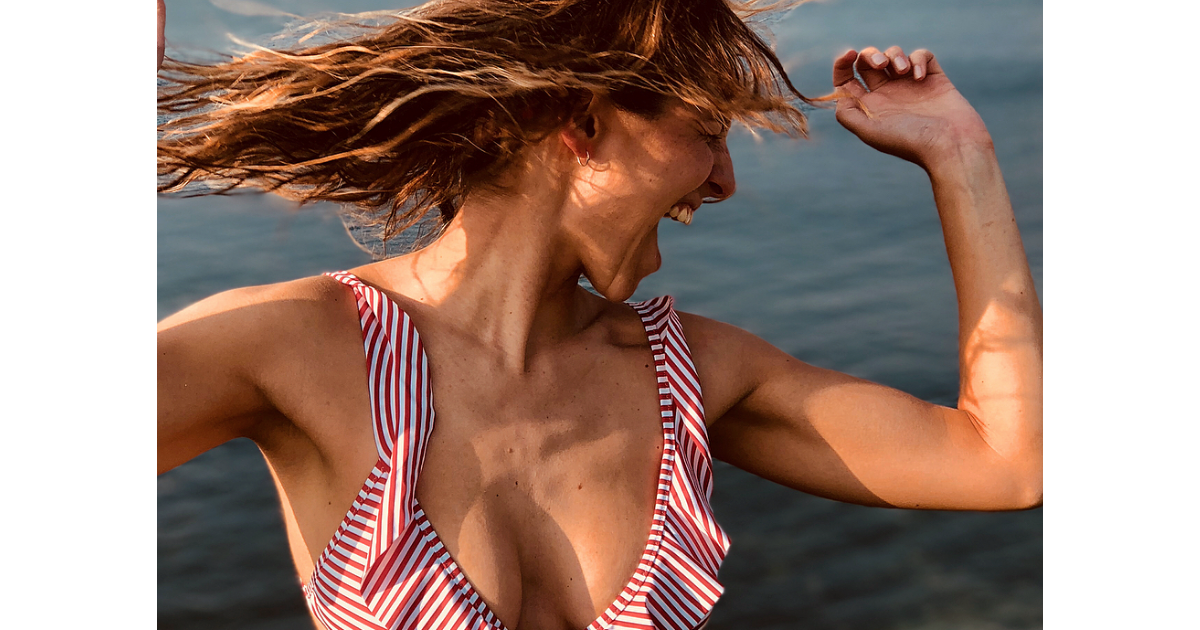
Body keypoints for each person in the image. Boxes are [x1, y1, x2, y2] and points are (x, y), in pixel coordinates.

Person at [157, 1, 1042, 629]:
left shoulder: (689, 374)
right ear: (583, 122)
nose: (724, 182)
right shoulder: (299, 346)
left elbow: (1004, 464)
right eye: (707, 133)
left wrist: (960, 154)